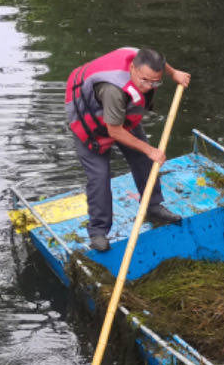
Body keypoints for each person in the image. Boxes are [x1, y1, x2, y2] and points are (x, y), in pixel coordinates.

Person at [64, 46, 192, 252]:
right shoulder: (113, 90)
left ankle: (152, 207)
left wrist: (174, 72)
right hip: (90, 122)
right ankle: (98, 231)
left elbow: (159, 61)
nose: (149, 87)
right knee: (100, 175)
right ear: (132, 68)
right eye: (144, 80)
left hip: (119, 117)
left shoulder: (143, 61)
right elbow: (115, 132)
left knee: (144, 159)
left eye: (155, 82)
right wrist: (150, 149)